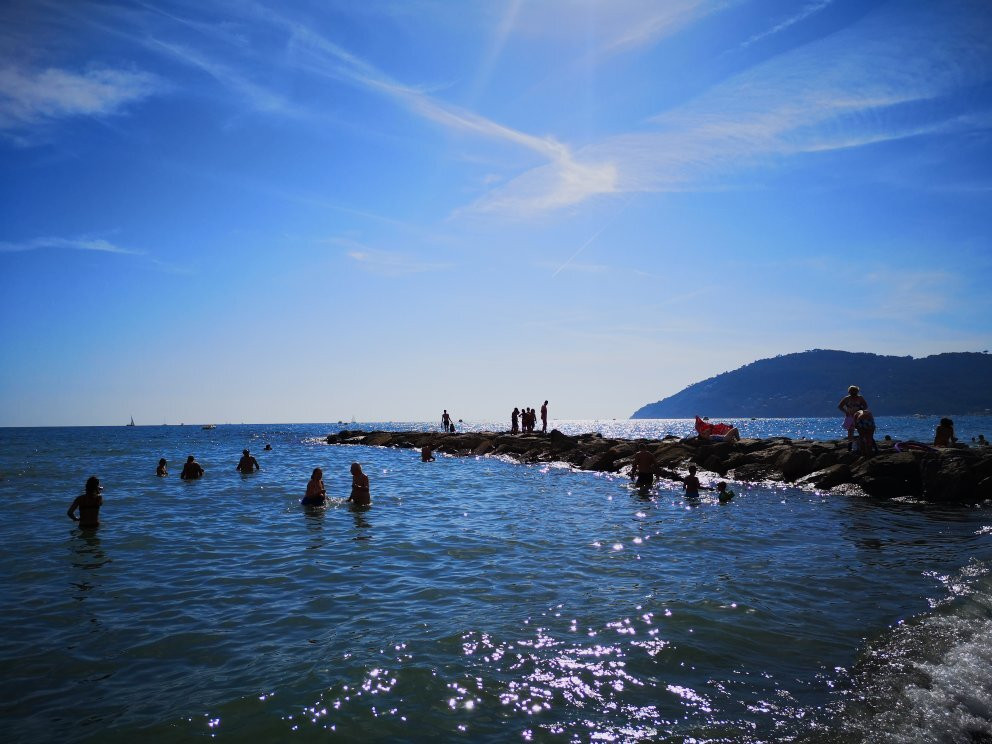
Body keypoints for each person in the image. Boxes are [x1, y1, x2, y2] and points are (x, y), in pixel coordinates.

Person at [838, 385, 868, 450]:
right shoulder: (846, 398)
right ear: (849, 392)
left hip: (859, 416)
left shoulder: (860, 398)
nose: (853, 393)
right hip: (849, 416)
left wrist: (861, 410)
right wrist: (846, 412)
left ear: (857, 391)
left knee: (861, 430)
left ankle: (862, 444)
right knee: (850, 431)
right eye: (852, 391)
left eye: (855, 391)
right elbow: (840, 406)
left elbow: (865, 406)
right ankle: (850, 444)